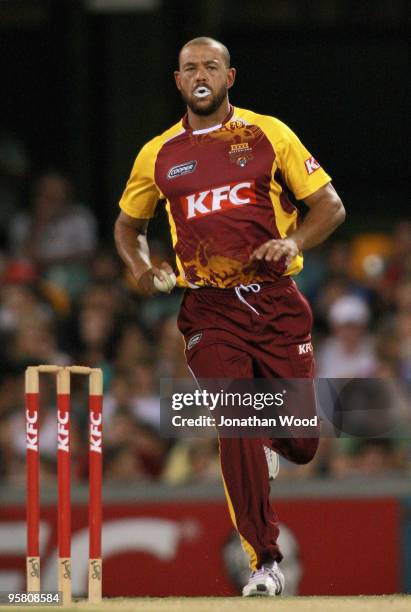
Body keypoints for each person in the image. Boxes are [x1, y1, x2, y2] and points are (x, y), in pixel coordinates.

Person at [114, 36, 345, 597]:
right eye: (190, 67)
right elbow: (128, 227)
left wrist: (290, 244)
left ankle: (271, 445)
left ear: (229, 76)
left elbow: (330, 208)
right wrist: (141, 269)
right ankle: (265, 562)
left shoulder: (269, 133)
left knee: (303, 442)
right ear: (177, 81)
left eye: (210, 66)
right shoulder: (158, 153)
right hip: (209, 309)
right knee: (237, 417)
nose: (200, 74)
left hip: (276, 303)